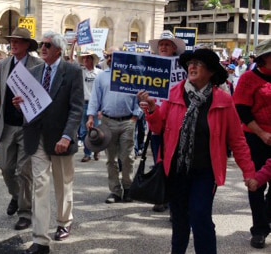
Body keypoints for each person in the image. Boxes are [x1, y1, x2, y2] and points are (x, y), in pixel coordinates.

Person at [137, 48, 256, 254]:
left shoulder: (223, 100)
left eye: (198, 63)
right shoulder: (174, 93)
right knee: (180, 219)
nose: (192, 66)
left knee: (200, 216)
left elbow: (237, 141)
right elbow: (157, 128)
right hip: (176, 170)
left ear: (210, 71)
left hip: (205, 172)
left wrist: (249, 173)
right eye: (190, 63)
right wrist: (152, 109)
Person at [16, 31, 84, 254]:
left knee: (63, 186)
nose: (42, 48)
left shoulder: (72, 71)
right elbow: (31, 106)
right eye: (41, 44)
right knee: (40, 187)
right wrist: (21, 104)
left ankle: (64, 222)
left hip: (61, 138)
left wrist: (67, 136)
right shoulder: (33, 72)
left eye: (47, 44)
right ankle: (40, 240)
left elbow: (76, 108)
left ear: (58, 49)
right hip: (36, 137)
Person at [0, 27, 42, 230]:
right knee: (5, 167)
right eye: (12, 41)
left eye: (18, 41)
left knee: (24, 171)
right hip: (7, 125)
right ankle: (16, 196)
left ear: (27, 46)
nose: (13, 44)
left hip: (28, 125)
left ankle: (25, 212)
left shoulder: (38, 65)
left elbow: (41, 96)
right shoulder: (3, 65)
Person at [87, 46, 141, 204]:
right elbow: (95, 99)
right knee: (111, 159)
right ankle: (115, 191)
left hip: (127, 122)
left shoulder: (132, 75)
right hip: (107, 123)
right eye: (107, 56)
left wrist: (135, 117)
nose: (110, 59)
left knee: (127, 158)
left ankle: (128, 188)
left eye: (113, 55)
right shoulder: (101, 77)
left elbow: (140, 97)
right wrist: (91, 116)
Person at [233, 38, 271, 249]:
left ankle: (266, 216)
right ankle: (259, 230)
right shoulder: (249, 78)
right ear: (264, 58)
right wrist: (262, 133)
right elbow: (242, 109)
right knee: (257, 183)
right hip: (255, 137)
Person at [147, 30, 186, 212]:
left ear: (174, 48)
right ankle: (161, 196)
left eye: (167, 44)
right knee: (159, 160)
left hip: (176, 121)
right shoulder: (151, 66)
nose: (163, 47)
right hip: (156, 119)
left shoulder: (183, 67)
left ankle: (173, 200)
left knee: (175, 161)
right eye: (161, 44)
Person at [76, 51, 103, 162]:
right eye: (84, 58)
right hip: (83, 103)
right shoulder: (81, 72)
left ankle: (94, 150)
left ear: (92, 60)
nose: (85, 60)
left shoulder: (100, 73)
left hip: (96, 105)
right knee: (83, 131)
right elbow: (71, 63)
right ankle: (88, 152)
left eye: (87, 58)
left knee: (95, 130)